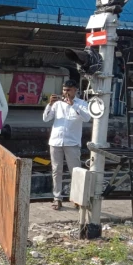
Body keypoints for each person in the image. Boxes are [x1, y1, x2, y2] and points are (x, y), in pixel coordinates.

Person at [42, 79, 92, 210]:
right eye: (64, 90)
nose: (66, 93)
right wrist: (49, 105)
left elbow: (87, 118)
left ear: (75, 90)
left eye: (68, 90)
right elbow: (46, 118)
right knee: (56, 171)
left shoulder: (81, 104)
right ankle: (57, 198)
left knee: (75, 172)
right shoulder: (57, 104)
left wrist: (73, 105)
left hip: (72, 142)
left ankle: (77, 198)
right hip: (55, 141)